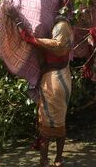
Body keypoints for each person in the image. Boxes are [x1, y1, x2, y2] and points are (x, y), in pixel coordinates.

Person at [21, 15, 73, 167]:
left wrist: (17, 21)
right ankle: (58, 160)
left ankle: (44, 161)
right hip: (65, 82)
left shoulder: (52, 44)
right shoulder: (67, 41)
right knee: (60, 122)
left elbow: (29, 39)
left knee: (47, 125)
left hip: (53, 83)